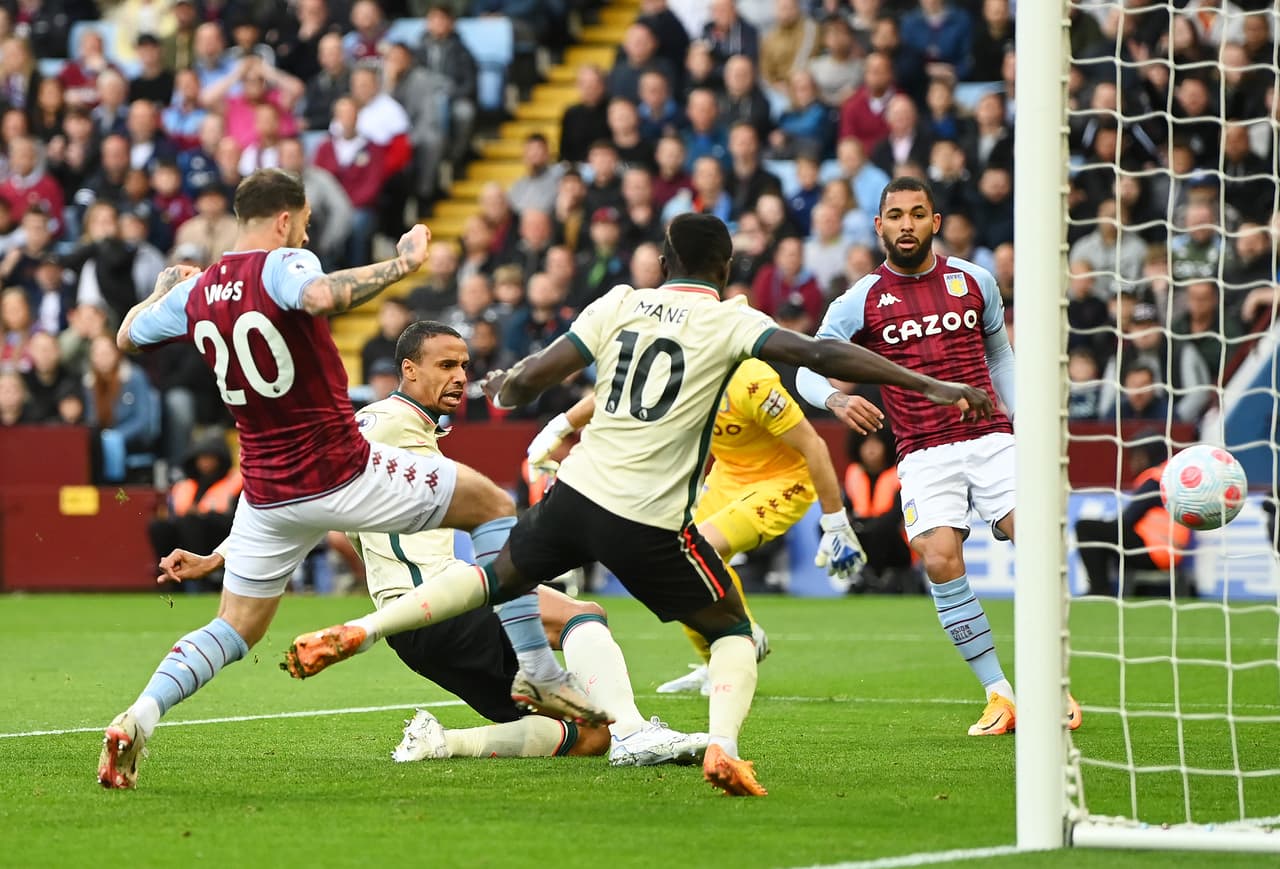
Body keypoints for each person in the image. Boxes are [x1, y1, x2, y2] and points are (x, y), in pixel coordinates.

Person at [289, 212, 994, 797]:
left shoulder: (620, 301)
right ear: (725, 269)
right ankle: (717, 744)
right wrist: (930, 386)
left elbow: (535, 377)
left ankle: (370, 629)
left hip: (575, 494)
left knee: (494, 576)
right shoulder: (730, 320)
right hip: (647, 517)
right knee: (731, 630)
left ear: (662, 261)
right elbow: (820, 355)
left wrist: (509, 389)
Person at [97, 169, 608, 791]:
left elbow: (128, 334)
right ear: (285, 219)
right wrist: (402, 265)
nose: (307, 235)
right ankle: (538, 669)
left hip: (267, 489)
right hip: (339, 468)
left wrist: (161, 290)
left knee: (234, 626)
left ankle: (141, 715)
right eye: (305, 224)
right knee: (494, 503)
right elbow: (321, 296)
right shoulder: (283, 264)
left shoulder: (199, 290)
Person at [152, 321, 708, 766]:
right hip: (438, 603)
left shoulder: (411, 430)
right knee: (582, 616)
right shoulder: (385, 420)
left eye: (464, 365)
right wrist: (225, 552)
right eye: (446, 365)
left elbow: (304, 497)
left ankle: (442, 741)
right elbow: (303, 479)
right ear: (409, 370)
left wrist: (222, 554)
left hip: (416, 633)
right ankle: (635, 733)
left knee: (586, 736)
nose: (461, 376)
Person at [794, 176, 1082, 737]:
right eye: (896, 215)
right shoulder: (860, 300)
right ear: (878, 226)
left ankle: (1054, 683)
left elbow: (1000, 357)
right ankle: (999, 693)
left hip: (992, 439)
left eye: (917, 214)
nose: (907, 224)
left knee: (1040, 542)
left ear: (936, 222)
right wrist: (835, 399)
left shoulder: (974, 280)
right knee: (940, 558)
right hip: (922, 450)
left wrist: (1025, 419)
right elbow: (807, 364)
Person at [527, 359, 885, 695]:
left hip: (781, 481)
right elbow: (618, 390)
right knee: (673, 564)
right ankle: (716, 663)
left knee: (699, 551)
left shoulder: (753, 382)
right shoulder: (677, 367)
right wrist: (559, 427)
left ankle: (744, 633)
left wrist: (835, 521)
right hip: (728, 476)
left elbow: (813, 445)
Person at [1073, 445, 1188, 597]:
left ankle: (1099, 589)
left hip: (1152, 553)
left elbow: (1127, 519)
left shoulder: (1154, 481)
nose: (1133, 463)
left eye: (1137, 457)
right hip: (1172, 554)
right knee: (1107, 533)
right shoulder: (1172, 479)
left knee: (1086, 528)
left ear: (1149, 456)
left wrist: (1107, 526)